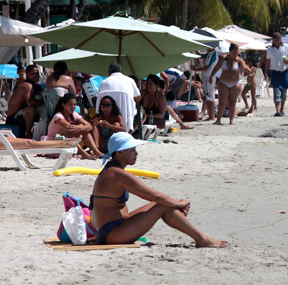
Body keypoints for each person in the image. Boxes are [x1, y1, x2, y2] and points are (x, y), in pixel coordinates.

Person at [89, 132, 228, 247]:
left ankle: (201, 239)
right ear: (119, 153)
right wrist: (179, 204)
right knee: (163, 205)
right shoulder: (117, 174)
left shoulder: (110, 170)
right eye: (132, 150)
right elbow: (154, 195)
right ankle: (202, 239)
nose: (136, 153)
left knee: (164, 204)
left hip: (108, 231)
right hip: (112, 234)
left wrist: (174, 203)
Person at [47, 93, 104, 159]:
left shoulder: (73, 114)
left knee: (83, 129)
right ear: (63, 105)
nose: (73, 107)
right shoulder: (58, 116)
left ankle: (96, 152)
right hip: (53, 143)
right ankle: (83, 153)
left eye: (74, 104)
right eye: (70, 104)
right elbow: (68, 128)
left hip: (65, 141)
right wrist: (80, 127)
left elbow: (89, 127)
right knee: (68, 131)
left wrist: (81, 127)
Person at [209, 43, 252, 125]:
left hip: (235, 83)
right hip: (223, 83)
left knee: (233, 102)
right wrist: (211, 76)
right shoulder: (223, 58)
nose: (236, 54)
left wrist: (250, 71)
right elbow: (217, 67)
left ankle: (231, 120)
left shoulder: (238, 59)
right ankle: (218, 120)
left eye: (236, 52)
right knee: (222, 102)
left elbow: (244, 67)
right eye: (234, 52)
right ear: (230, 52)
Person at [96, 62, 141, 132]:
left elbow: (100, 100)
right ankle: (133, 131)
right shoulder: (130, 80)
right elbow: (138, 98)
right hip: (126, 114)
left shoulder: (104, 82)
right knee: (141, 112)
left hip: (106, 114)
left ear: (109, 71)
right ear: (121, 71)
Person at [6, 65, 44, 138]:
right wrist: (43, 102)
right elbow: (29, 102)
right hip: (13, 119)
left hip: (21, 116)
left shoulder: (35, 86)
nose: (36, 76)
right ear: (27, 74)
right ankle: (28, 133)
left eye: (37, 73)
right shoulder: (27, 86)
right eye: (33, 74)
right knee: (31, 109)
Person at [192, 48, 222, 120]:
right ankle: (210, 115)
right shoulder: (209, 53)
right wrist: (196, 50)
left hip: (210, 76)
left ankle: (211, 116)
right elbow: (203, 56)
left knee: (210, 96)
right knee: (206, 96)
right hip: (206, 76)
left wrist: (196, 69)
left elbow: (206, 67)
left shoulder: (214, 54)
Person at [265, 32, 288, 116]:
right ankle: (277, 110)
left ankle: (282, 109)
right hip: (274, 72)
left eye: (278, 40)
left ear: (280, 39)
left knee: (284, 92)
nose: (277, 42)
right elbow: (267, 61)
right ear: (273, 41)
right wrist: (266, 72)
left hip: (284, 72)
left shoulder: (286, 48)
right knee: (276, 92)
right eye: (275, 40)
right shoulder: (270, 50)